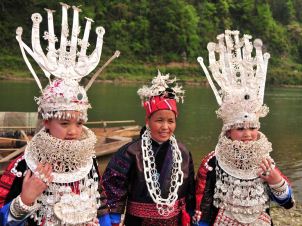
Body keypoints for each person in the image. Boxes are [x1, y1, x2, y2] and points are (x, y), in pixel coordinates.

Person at [0, 3, 117, 225]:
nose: (73, 131)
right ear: (46, 121)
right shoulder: (24, 165)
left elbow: (100, 203)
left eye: (79, 122)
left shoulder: (88, 159)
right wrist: (25, 199)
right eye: (64, 123)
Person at [194, 30, 295, 225]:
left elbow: (287, 202)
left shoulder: (265, 160)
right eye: (240, 128)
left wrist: (274, 179)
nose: (247, 134)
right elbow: (201, 204)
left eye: (252, 127)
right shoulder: (212, 162)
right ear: (228, 131)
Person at [102, 71, 195, 226]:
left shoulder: (183, 152)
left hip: (173, 221)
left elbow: (190, 189)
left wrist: (192, 214)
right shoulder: (130, 152)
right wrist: (113, 217)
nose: (165, 127)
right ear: (148, 120)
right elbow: (113, 186)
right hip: (138, 221)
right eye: (159, 120)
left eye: (170, 121)